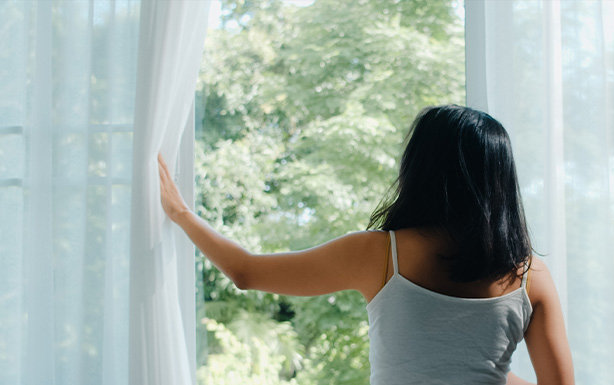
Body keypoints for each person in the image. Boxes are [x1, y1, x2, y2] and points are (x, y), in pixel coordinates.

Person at [158, 104, 574, 385]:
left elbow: (246, 272)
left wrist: (181, 213)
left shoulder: (380, 255)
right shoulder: (528, 275)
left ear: (421, 170)